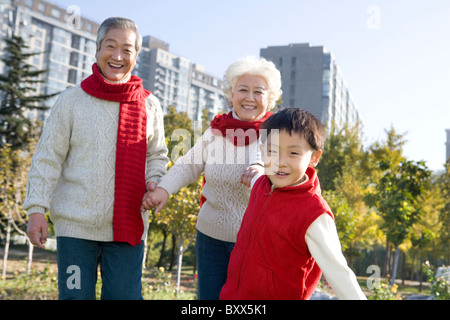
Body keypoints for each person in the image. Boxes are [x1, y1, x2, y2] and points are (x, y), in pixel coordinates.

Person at [24, 17, 169, 300]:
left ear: (136, 56)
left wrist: (155, 181)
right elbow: (47, 158)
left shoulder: (150, 105)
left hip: (128, 229)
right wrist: (36, 209)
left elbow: (156, 155)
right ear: (97, 49)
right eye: (110, 46)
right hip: (76, 230)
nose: (117, 56)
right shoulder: (70, 100)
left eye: (127, 49)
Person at [141, 56, 282, 300]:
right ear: (231, 93)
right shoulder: (216, 131)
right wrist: (163, 190)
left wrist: (262, 172)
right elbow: (189, 165)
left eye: (258, 92)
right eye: (243, 90)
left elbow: (283, 175)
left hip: (254, 243)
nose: (249, 97)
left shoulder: (277, 134)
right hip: (209, 239)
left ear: (268, 98)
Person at [220, 108, 366, 300]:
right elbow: (257, 176)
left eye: (294, 153)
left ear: (314, 158)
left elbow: (339, 271)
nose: (281, 162)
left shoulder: (314, 213)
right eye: (272, 151)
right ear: (262, 152)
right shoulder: (260, 185)